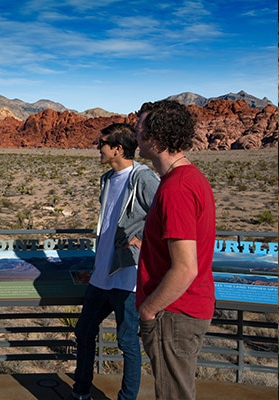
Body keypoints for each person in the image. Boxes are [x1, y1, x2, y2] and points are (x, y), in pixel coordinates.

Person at [68, 123, 159, 400]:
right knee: (84, 332)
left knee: (127, 342)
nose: (98, 147)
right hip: (102, 274)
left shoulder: (143, 178)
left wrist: (143, 243)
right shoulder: (107, 178)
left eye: (103, 143)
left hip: (127, 276)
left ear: (118, 148)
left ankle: (126, 397)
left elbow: (165, 215)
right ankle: (81, 390)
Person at [135, 100, 216, 400]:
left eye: (140, 129)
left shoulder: (177, 189)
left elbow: (185, 268)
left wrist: (149, 309)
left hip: (174, 314)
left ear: (157, 138)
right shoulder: (188, 179)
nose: (136, 136)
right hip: (183, 311)